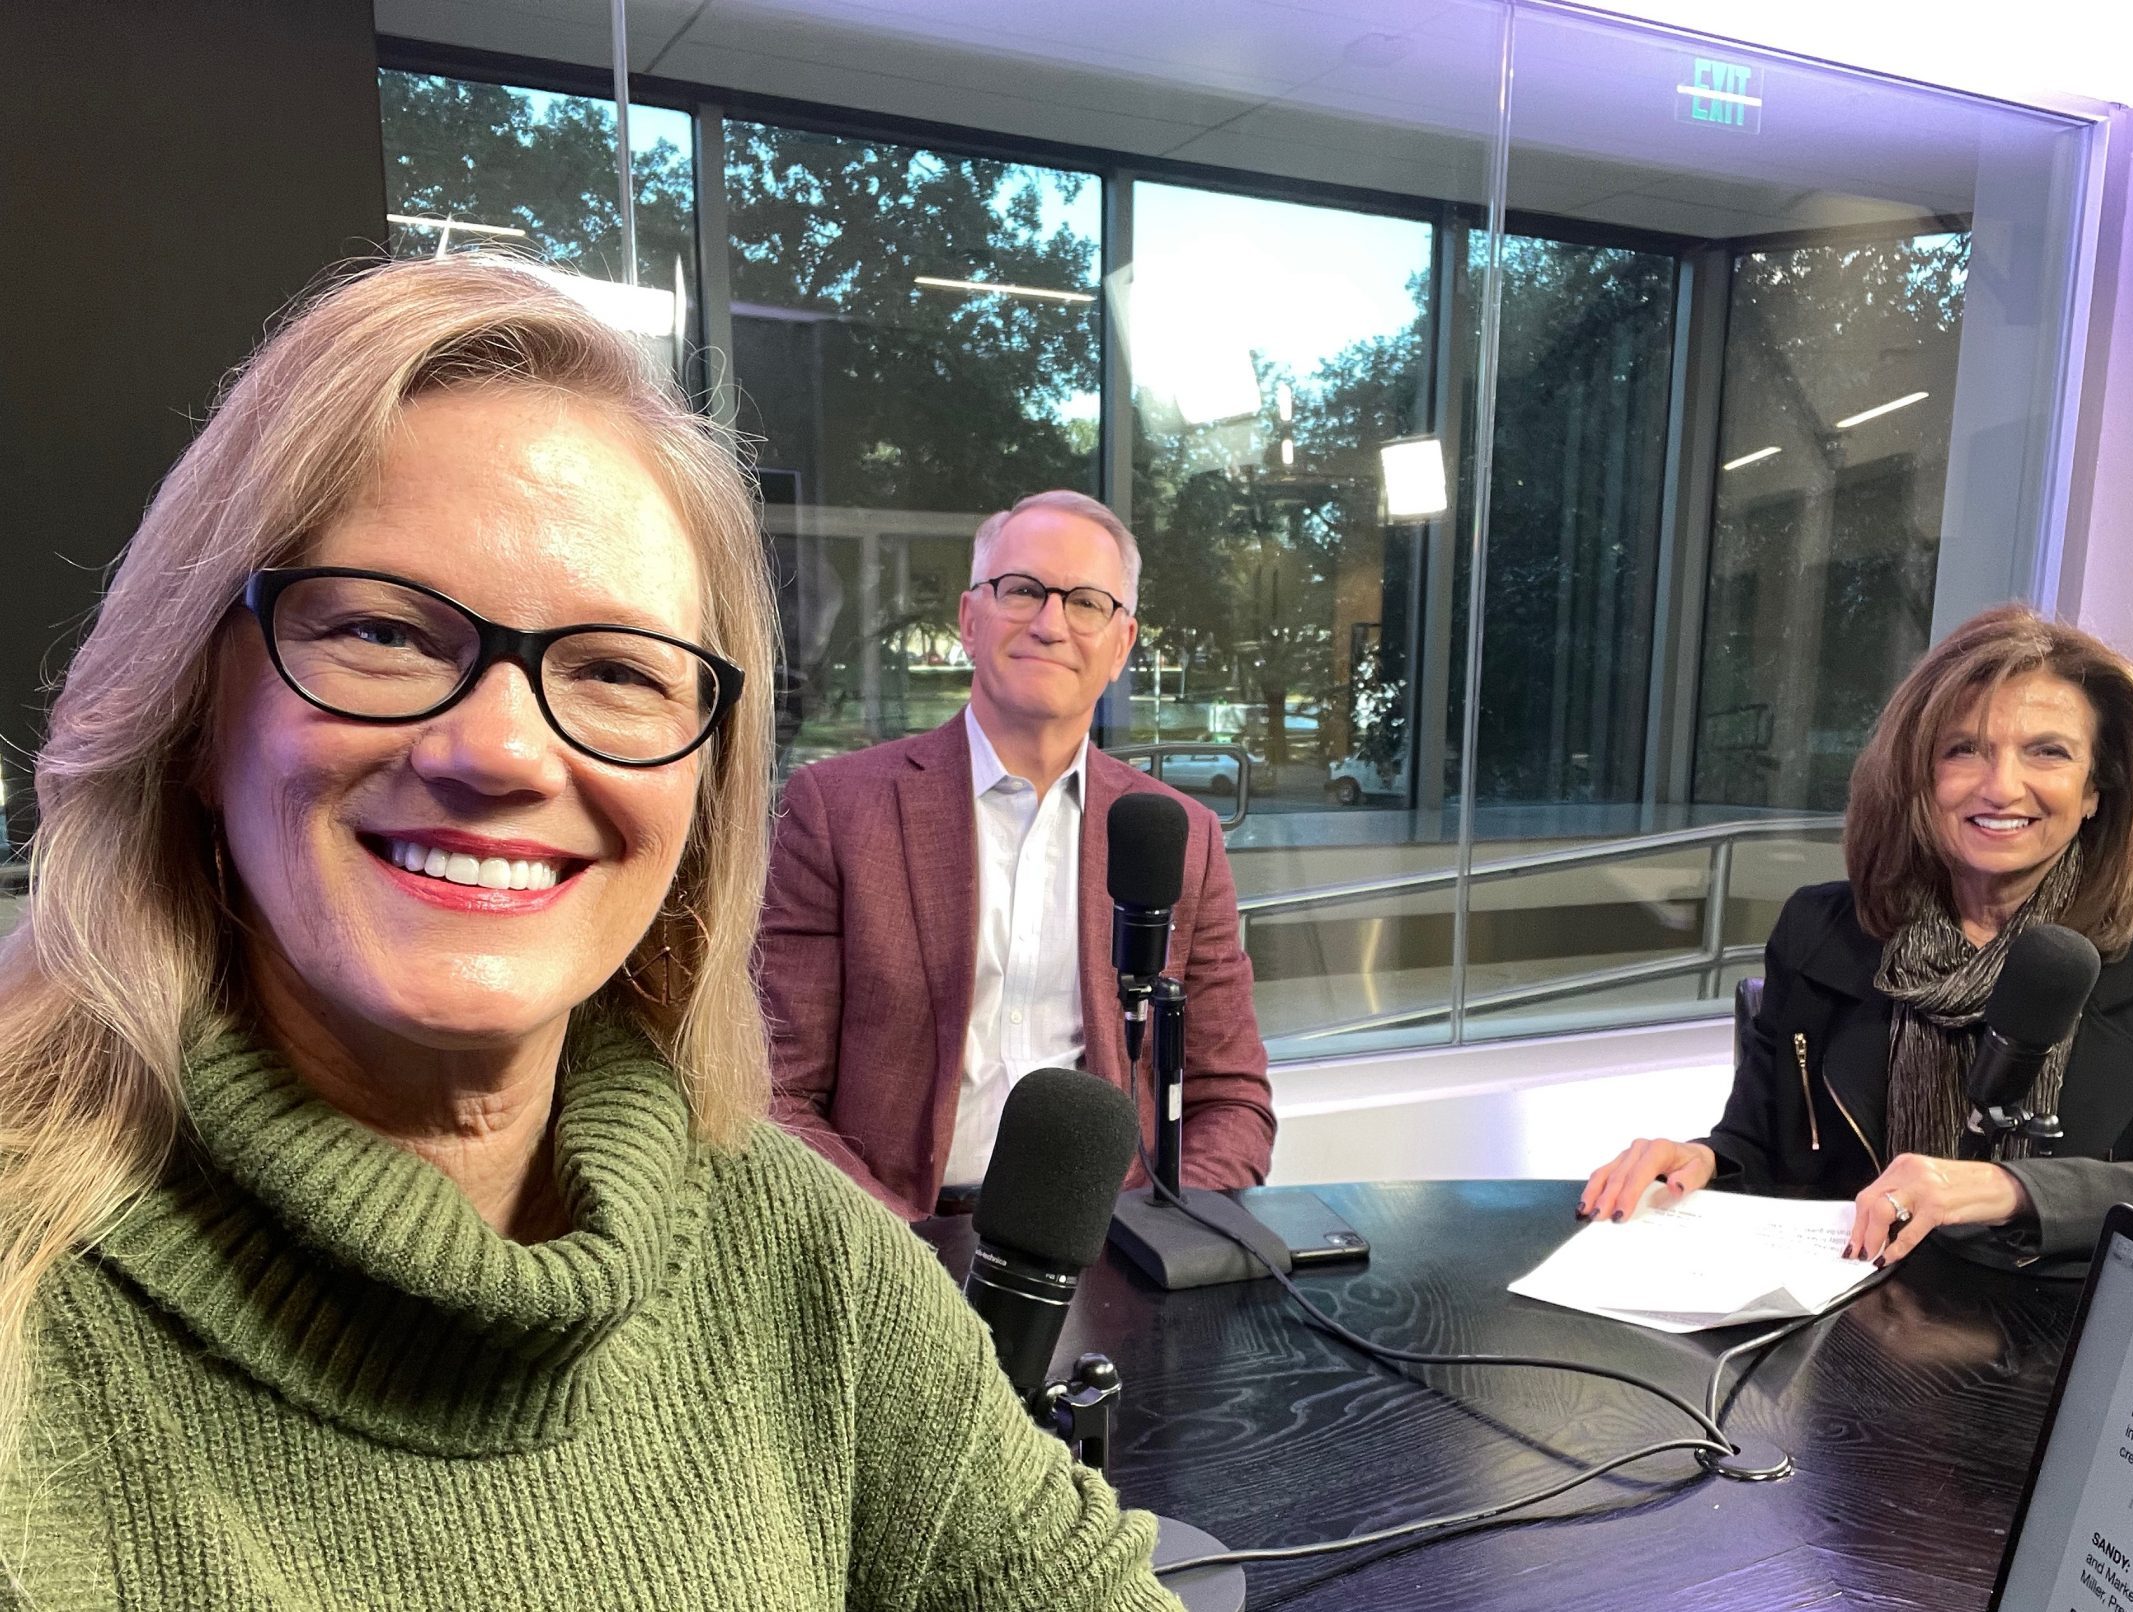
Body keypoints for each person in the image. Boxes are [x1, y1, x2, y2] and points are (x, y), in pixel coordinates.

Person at [0, 258, 1178, 1608]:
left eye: (616, 667)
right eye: (384, 631)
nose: (499, 748)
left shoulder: (806, 1269)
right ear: (199, 710)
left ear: (700, 785)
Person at [1580, 605, 2133, 1274]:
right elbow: (1763, 1149)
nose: (2001, 786)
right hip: (1846, 1324)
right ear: (1920, 776)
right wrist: (1702, 1162)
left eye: (2047, 753)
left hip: (2056, 1340)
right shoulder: (1820, 931)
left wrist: (2013, 1189)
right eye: (1964, 749)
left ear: (2095, 790)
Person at [759, 491, 1275, 1220]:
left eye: (1086, 602)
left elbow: (1231, 1099)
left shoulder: (1177, 839)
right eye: (1023, 590)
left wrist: (1159, 1236)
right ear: (971, 620)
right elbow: (777, 1093)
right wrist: (895, 1254)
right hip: (897, 1238)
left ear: (1122, 644)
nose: (1050, 623)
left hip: (1110, 1247)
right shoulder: (835, 811)